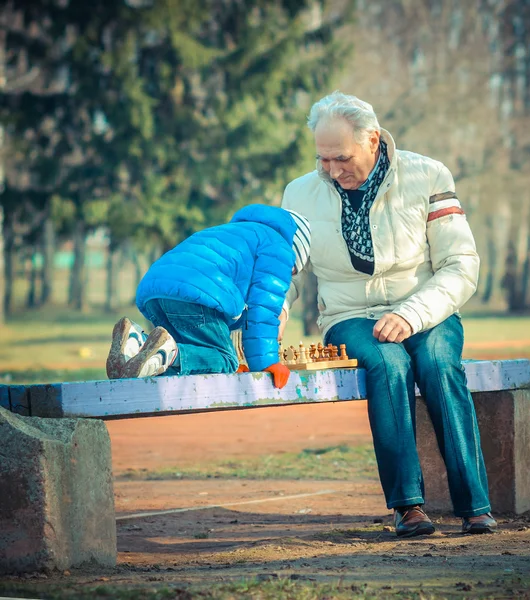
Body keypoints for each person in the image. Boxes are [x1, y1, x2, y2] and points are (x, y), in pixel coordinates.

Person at [279, 91, 496, 536]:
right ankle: (408, 507)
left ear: (372, 140)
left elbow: (461, 265)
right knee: (387, 363)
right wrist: (268, 322)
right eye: (323, 159)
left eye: (341, 157)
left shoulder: (428, 174)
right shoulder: (299, 194)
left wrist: (414, 313)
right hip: (349, 316)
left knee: (437, 363)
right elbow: (286, 276)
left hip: (427, 309)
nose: (332, 170)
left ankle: (475, 505)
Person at [106, 204, 311, 389]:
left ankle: (137, 341)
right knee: (225, 360)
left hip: (155, 289)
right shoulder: (280, 248)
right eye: (292, 272)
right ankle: (168, 352)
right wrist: (265, 363)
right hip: (197, 293)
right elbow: (263, 309)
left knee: (190, 360)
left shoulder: (237, 232)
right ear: (296, 253)